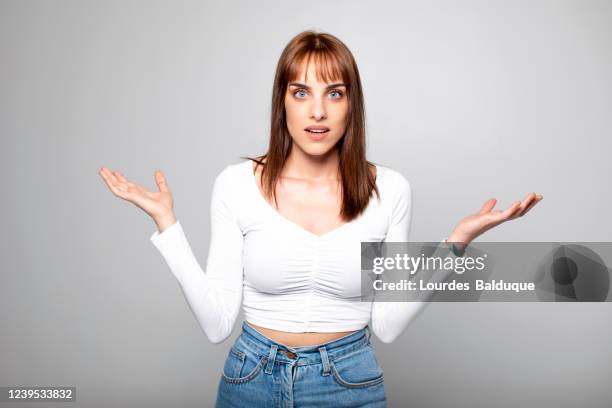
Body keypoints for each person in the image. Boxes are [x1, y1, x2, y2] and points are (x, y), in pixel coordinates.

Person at [99, 30, 542, 407]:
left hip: (349, 383)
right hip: (250, 381)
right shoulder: (235, 185)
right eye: (301, 92)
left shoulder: (390, 190)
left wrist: (456, 244)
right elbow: (216, 324)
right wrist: (168, 226)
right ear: (283, 102)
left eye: (334, 93)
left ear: (352, 105)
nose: (317, 111)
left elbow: (386, 326)